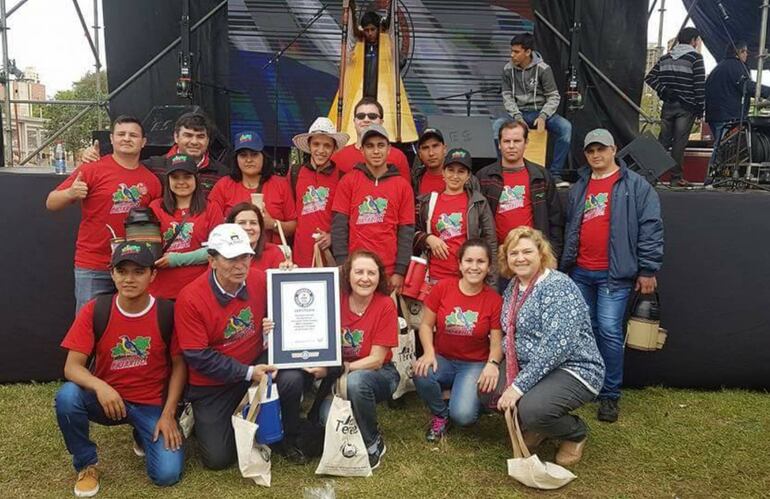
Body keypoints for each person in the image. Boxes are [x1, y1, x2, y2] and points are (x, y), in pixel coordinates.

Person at [54, 241, 185, 496]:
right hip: (107, 400)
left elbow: (181, 366)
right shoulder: (96, 310)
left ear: (153, 275)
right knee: (68, 396)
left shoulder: (167, 311)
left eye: (138, 272)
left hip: (150, 404)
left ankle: (142, 432)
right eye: (122, 271)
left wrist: (168, 414)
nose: (129, 279)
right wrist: (100, 386)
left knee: (167, 474)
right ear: (111, 273)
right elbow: (72, 367)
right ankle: (87, 465)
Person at [561, 129, 663, 423]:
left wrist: (647, 269)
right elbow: (573, 227)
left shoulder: (635, 185)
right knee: (585, 331)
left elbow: (651, 228)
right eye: (591, 150)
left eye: (601, 149)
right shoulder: (580, 185)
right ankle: (587, 385)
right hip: (580, 272)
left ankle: (610, 396)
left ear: (613, 149)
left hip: (613, 275)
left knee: (608, 332)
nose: (596, 155)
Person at [496, 227, 605, 467]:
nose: (520, 258)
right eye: (514, 253)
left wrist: (517, 386)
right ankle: (541, 428)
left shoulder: (557, 286)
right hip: (531, 365)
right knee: (489, 389)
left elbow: (557, 347)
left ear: (541, 253)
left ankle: (575, 433)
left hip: (573, 367)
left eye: (527, 251)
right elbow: (508, 331)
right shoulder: (514, 286)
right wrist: (494, 366)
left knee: (532, 409)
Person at [174, 224, 277, 470]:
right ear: (212, 261)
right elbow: (198, 356)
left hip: (254, 365)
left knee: (292, 378)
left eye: (245, 256)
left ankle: (282, 429)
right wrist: (249, 372)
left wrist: (289, 279)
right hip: (212, 385)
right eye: (231, 258)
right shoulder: (190, 298)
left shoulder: (260, 279)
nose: (240, 265)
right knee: (218, 459)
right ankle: (201, 417)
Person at [46, 115, 162, 312]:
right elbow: (51, 202)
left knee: (129, 325)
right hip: (94, 265)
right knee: (89, 326)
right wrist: (70, 193)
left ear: (143, 142)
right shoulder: (91, 170)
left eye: (133, 135)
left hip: (133, 267)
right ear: (112, 139)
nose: (126, 138)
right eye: (121, 134)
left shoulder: (152, 181)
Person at [413, 239, 503, 442]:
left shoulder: (494, 300)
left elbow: (497, 343)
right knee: (421, 371)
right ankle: (440, 414)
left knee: (463, 416)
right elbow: (426, 325)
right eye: (468, 260)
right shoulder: (443, 288)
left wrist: (492, 364)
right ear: (460, 264)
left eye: (480, 262)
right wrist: (428, 352)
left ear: (489, 267)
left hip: (473, 364)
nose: (474, 266)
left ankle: (461, 398)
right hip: (444, 358)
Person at [317, 250, 400, 469]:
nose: (365, 278)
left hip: (379, 374)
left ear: (379, 277)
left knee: (356, 382)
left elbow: (376, 359)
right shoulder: (335, 299)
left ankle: (373, 442)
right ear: (348, 275)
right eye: (359, 272)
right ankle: (355, 417)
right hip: (338, 376)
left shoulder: (385, 305)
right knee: (326, 421)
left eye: (371, 273)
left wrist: (340, 369)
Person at [331, 123, 415, 293]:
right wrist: (342, 264)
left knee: (384, 317)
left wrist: (400, 270)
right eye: (370, 146)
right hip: (355, 269)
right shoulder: (348, 181)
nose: (376, 151)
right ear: (361, 150)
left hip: (389, 271)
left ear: (389, 149)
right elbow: (339, 226)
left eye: (380, 145)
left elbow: (406, 231)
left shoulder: (403, 186)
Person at [476, 120, 564, 280]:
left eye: (517, 141)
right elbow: (475, 223)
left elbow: (555, 221)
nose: (511, 146)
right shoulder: (484, 177)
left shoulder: (541, 176)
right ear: (499, 144)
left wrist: (553, 256)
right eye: (506, 141)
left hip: (532, 260)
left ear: (526, 143)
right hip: (496, 259)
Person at [82, 112, 228, 196]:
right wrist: (91, 156)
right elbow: (123, 165)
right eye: (188, 135)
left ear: (208, 140)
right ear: (176, 137)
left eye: (200, 136)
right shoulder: (153, 166)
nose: (194, 141)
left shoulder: (222, 174)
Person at [494, 33, 572, 187]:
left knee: (566, 128)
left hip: (541, 112)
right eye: (512, 51)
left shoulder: (543, 69)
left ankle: (555, 174)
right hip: (519, 113)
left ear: (528, 52)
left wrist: (543, 116)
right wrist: (517, 116)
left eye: (516, 52)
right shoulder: (507, 69)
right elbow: (507, 96)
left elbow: (553, 96)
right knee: (497, 126)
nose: (512, 55)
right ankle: (504, 170)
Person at [414, 148, 497, 284]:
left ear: (468, 176)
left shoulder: (478, 202)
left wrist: (492, 284)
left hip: (467, 279)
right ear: (443, 172)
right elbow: (412, 233)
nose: (455, 176)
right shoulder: (428, 202)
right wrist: (428, 238)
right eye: (451, 170)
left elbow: (491, 242)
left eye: (461, 171)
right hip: (435, 279)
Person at [149, 154, 221, 300]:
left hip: (199, 290)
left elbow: (218, 248)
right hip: (161, 291)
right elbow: (149, 248)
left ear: (196, 178)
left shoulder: (211, 208)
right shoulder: (155, 207)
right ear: (167, 180)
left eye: (187, 176)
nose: (181, 182)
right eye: (175, 177)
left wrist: (177, 259)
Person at [208, 130, 297, 244]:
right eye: (243, 155)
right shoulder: (223, 185)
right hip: (234, 256)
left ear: (263, 156)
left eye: (254, 154)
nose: (249, 160)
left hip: (271, 256)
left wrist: (273, 224)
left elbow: (294, 226)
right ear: (236, 159)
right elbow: (211, 225)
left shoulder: (281, 185)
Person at [645, 27, 705, 187]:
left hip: (668, 105)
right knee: (679, 142)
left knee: (662, 141)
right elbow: (699, 85)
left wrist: (664, 90)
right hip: (687, 107)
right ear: (693, 40)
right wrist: (701, 107)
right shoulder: (695, 58)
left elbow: (650, 77)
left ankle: (650, 176)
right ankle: (676, 178)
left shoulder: (665, 58)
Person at [290, 117, 350, 267]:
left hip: (330, 254)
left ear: (334, 148)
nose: (321, 150)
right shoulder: (295, 173)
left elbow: (350, 219)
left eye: (327, 145)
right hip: (300, 254)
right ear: (309, 145)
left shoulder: (343, 177)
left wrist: (333, 237)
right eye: (316, 144)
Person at [705, 41, 770, 178]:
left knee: (724, 147)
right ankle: (711, 177)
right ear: (739, 52)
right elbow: (746, 85)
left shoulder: (719, 68)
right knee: (722, 147)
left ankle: (717, 176)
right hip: (727, 114)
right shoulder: (735, 66)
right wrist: (767, 92)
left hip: (715, 113)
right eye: (745, 52)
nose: (747, 55)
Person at [330, 97, 412, 182]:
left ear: (381, 122)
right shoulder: (338, 156)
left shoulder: (398, 157)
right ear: (354, 121)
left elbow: (404, 192)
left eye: (372, 116)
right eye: (360, 116)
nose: (366, 119)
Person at [226, 203, 290, 271]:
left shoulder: (273, 252)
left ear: (260, 227)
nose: (248, 227)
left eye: (253, 223)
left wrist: (287, 272)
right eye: (242, 223)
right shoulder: (221, 254)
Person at [411, 128, 448, 196]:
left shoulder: (465, 181)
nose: (431, 153)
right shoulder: (414, 180)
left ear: (444, 149)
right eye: (425, 148)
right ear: (420, 154)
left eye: (435, 146)